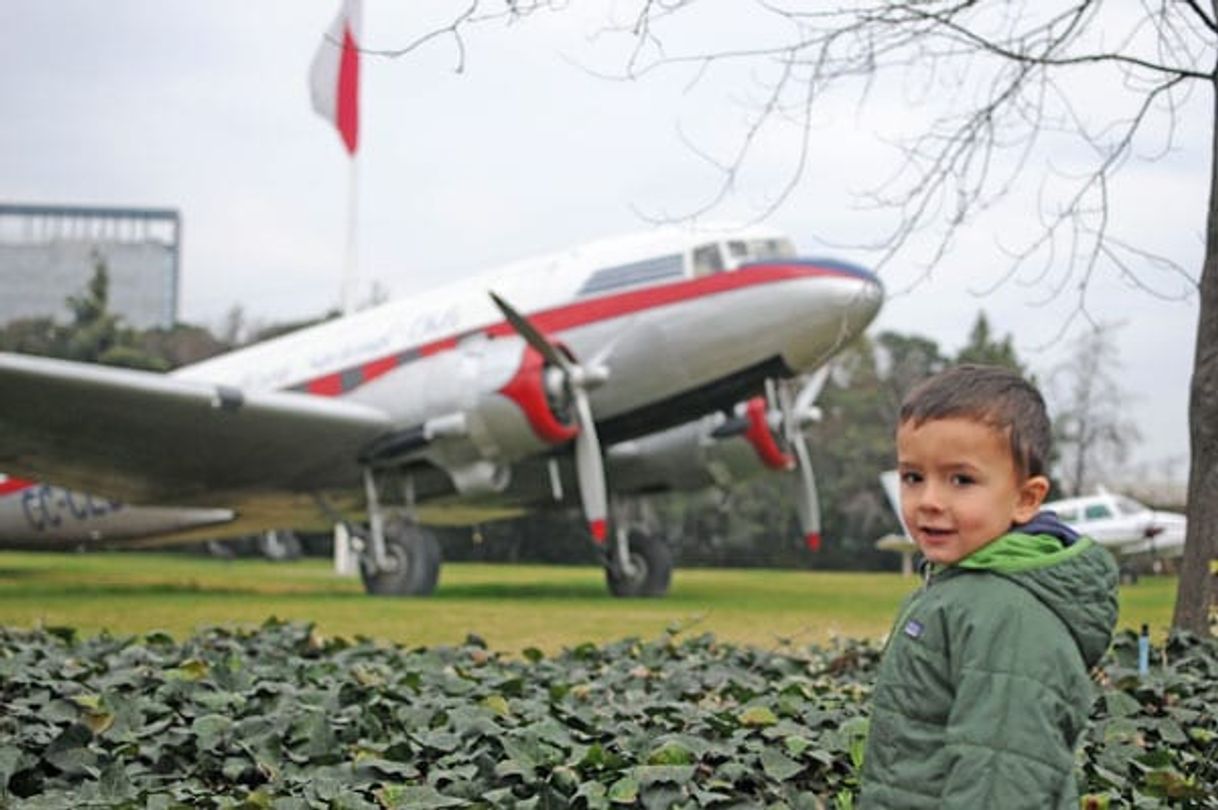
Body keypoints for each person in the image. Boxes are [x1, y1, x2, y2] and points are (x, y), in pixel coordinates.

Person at [859, 364, 1119, 809]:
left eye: (961, 479)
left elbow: (1003, 779)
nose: (929, 501)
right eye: (912, 477)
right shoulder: (961, 590)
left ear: (1025, 499)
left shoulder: (1010, 615)